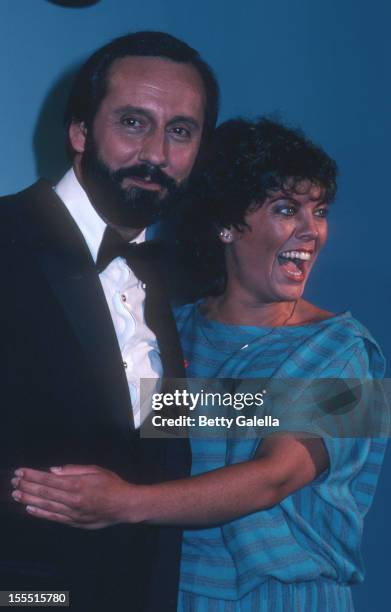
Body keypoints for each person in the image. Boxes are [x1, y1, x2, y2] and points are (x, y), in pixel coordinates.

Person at [12, 119, 386, 611]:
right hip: (172, 593)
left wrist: (122, 503)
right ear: (226, 226)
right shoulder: (170, 331)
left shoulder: (345, 349)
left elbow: (274, 476)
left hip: (285, 599)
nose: (311, 230)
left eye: (319, 211)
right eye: (286, 209)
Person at [0, 30, 219, 611]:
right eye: (132, 122)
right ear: (78, 132)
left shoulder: (185, 280)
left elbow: (175, 418)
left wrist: (342, 398)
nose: (157, 154)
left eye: (181, 131)